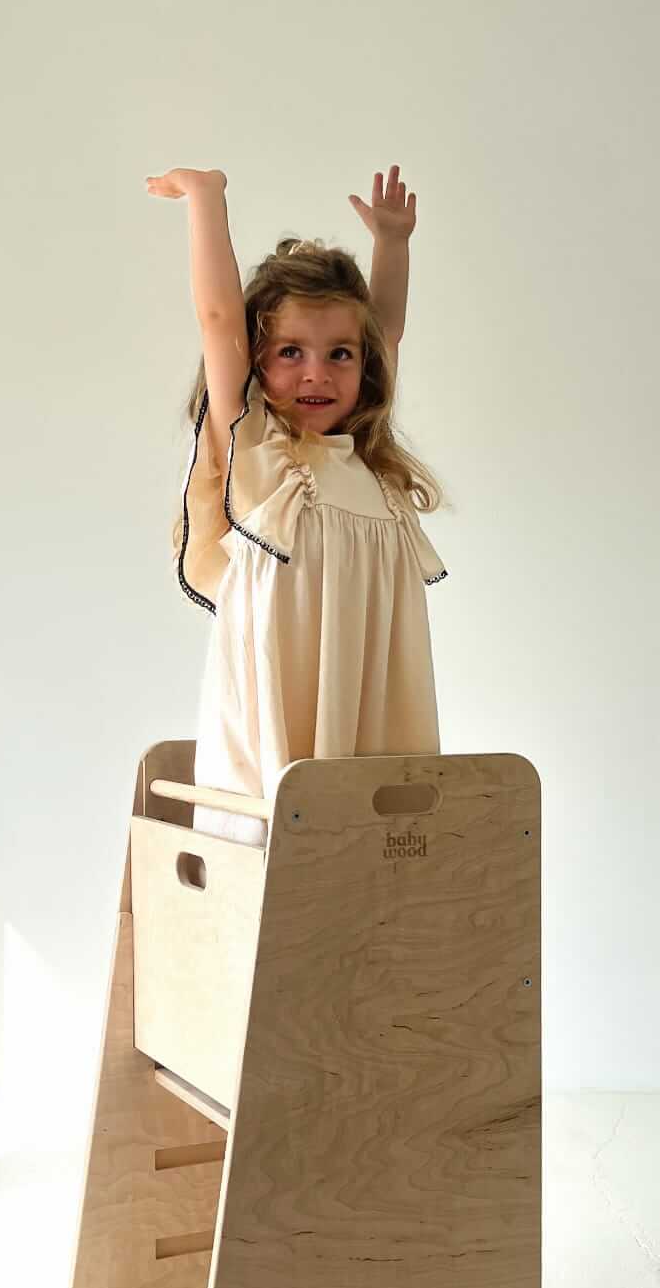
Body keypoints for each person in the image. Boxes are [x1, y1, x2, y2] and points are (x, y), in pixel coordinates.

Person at [145, 163, 449, 847]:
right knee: (281, 841)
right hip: (280, 709)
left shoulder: (366, 468)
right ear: (257, 359)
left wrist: (392, 244)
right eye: (290, 352)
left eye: (339, 354)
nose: (317, 372)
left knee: (369, 841)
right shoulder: (259, 448)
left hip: (368, 703)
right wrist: (206, 199)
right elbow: (218, 319)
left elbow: (386, 332)